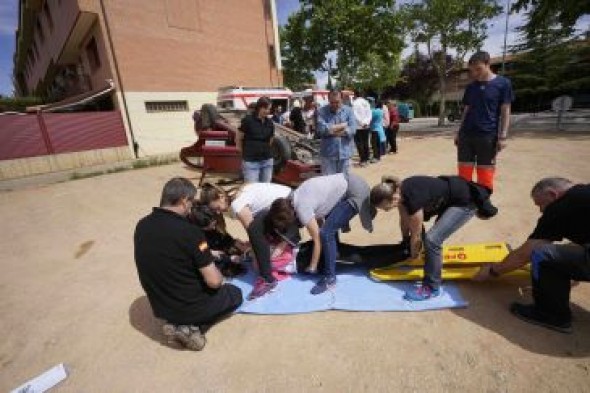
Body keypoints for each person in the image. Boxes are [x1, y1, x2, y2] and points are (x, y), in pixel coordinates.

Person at [134, 178, 243, 351]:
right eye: (191, 203)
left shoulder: (142, 225)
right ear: (184, 201)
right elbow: (214, 282)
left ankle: (181, 324)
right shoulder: (190, 232)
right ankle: (191, 327)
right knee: (235, 293)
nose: (192, 208)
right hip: (189, 306)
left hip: (160, 307)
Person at [474, 178, 590, 334]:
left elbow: (526, 253)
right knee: (569, 249)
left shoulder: (560, 206)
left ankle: (551, 315)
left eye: (541, 205)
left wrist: (492, 271)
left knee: (541, 253)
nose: (542, 211)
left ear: (552, 194)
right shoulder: (584, 194)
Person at [370, 175, 497, 301]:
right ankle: (429, 258)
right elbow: (404, 221)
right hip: (451, 199)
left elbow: (417, 232)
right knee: (430, 238)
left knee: (432, 240)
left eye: (385, 207)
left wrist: (414, 254)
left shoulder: (411, 197)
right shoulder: (399, 192)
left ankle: (431, 288)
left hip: (465, 202)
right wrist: (405, 242)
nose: (386, 211)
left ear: (392, 198)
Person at [266, 173, 375, 295]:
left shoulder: (302, 208)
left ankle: (330, 278)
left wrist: (312, 267)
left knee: (326, 234)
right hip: (350, 182)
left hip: (354, 190)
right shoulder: (294, 197)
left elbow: (317, 239)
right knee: (328, 229)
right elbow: (320, 216)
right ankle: (334, 252)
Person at [199, 182, 297, 300]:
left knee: (262, 254)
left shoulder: (237, 205)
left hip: (288, 204)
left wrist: (258, 262)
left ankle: (267, 280)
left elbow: (255, 234)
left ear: (221, 197)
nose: (219, 213)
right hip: (288, 196)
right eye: (215, 211)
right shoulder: (236, 194)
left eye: (218, 208)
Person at [456, 51, 514, 191]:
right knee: (464, 171)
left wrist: (503, 136)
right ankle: (464, 198)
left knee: (485, 171)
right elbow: (466, 110)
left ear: (488, 64)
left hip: (487, 135)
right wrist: (459, 132)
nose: (475, 73)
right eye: (472, 70)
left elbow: (505, 110)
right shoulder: (471, 87)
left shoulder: (503, 84)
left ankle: (483, 199)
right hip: (466, 135)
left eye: (478, 69)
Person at [189, 204, 249, 277]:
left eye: (214, 224)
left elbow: (224, 237)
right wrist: (229, 258)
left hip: (219, 248)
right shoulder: (197, 236)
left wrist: (236, 243)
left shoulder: (212, 225)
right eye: (210, 227)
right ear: (201, 227)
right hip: (210, 255)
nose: (214, 227)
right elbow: (204, 252)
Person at [316, 90, 357, 175]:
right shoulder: (321, 111)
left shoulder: (349, 111)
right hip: (328, 155)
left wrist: (331, 130)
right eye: (332, 102)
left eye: (337, 102)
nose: (334, 105)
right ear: (328, 100)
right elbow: (322, 129)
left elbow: (352, 129)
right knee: (329, 184)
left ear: (342, 99)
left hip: (345, 154)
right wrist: (343, 125)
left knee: (344, 183)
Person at [237, 97, 275, 183]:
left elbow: (271, 139)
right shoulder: (248, 120)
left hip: (267, 161)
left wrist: (264, 149)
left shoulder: (270, 123)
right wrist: (242, 152)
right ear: (259, 107)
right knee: (252, 189)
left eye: (269, 109)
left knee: (265, 189)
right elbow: (239, 138)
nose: (268, 111)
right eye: (266, 108)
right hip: (251, 162)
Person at [352, 96, 372, 167]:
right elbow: (370, 114)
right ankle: (367, 158)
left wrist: (361, 123)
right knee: (366, 142)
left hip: (358, 126)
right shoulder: (366, 103)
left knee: (359, 144)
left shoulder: (355, 103)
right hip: (366, 126)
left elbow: (355, 115)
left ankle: (363, 160)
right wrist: (366, 122)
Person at [369, 98, 386, 163]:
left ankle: (376, 157)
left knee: (374, 144)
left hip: (375, 129)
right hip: (379, 129)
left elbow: (370, 118)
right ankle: (378, 156)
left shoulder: (375, 111)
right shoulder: (381, 111)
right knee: (378, 144)